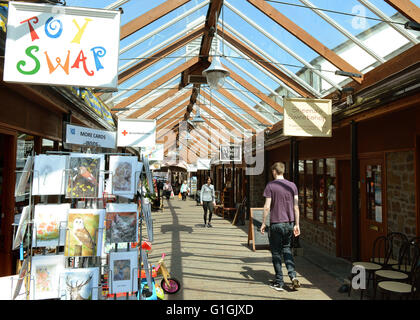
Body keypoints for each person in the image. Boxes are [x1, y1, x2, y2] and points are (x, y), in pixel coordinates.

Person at [261, 162, 301, 292]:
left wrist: (263, 222)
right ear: (283, 171)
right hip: (289, 223)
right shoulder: (292, 186)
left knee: (276, 253)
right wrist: (297, 224)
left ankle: (279, 281)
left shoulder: (271, 186)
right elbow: (296, 207)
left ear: (274, 171)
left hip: (276, 223)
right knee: (287, 249)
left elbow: (267, 206)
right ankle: (293, 275)